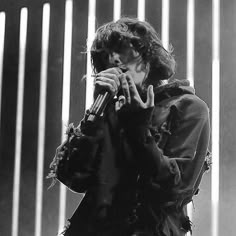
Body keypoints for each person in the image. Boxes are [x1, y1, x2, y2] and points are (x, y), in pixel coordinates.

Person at [48, 17, 211, 236]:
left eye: (122, 49)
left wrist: (138, 128)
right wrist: (95, 114)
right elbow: (74, 177)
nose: (114, 58)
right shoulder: (107, 110)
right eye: (105, 53)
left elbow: (175, 189)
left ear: (149, 56)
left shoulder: (187, 108)